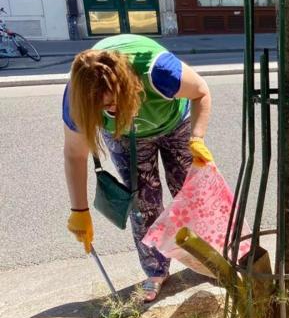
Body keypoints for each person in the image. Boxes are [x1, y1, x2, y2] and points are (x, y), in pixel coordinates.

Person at [63, 34, 213, 302]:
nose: (112, 110)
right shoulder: (78, 100)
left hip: (173, 123)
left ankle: (206, 259)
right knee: (143, 204)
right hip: (126, 136)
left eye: (114, 102)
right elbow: (75, 154)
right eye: (104, 107)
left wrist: (197, 138)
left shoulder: (158, 70)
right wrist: (79, 211)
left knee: (188, 193)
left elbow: (201, 91)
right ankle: (156, 270)